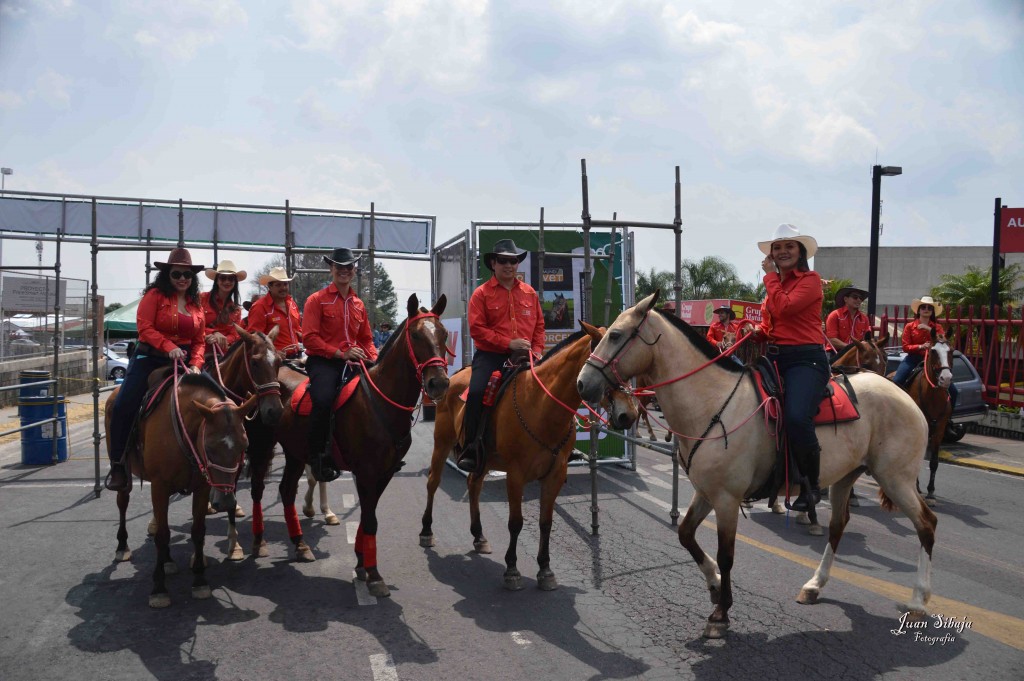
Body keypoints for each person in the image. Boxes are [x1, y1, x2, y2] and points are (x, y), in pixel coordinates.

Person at [105, 248, 206, 491]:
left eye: (187, 274)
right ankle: (118, 465)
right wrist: (168, 346)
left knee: (216, 403)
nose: (182, 278)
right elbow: (145, 329)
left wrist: (196, 364)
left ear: (193, 278)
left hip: (183, 364)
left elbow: (200, 341)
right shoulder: (154, 296)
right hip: (149, 359)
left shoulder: (196, 304)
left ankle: (210, 463)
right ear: (167, 275)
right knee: (123, 405)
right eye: (177, 273)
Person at [751, 224, 829, 512]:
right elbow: (773, 322)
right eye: (778, 247)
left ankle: (812, 485)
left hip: (805, 360)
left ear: (800, 252)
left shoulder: (811, 280)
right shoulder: (776, 285)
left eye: (789, 246)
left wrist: (770, 276)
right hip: (774, 357)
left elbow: (784, 308)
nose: (783, 251)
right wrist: (756, 331)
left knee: (796, 418)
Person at [457, 239, 545, 472]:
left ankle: (560, 445)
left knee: (554, 388)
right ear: (493, 263)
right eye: (504, 261)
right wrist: (509, 343)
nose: (509, 265)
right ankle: (471, 448)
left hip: (528, 357)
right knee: (476, 393)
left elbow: (539, 327)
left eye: (513, 261)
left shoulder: (530, 293)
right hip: (491, 356)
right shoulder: (481, 294)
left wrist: (536, 352)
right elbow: (477, 329)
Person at [302, 247, 377, 482]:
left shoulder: (358, 304)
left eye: (348, 267)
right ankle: (318, 455)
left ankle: (378, 449)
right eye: (339, 267)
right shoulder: (316, 300)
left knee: (376, 395)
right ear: (331, 269)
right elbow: (310, 338)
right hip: (324, 362)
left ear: (354, 271)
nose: (344, 271)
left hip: (354, 360)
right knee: (323, 399)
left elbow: (366, 339)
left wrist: (373, 358)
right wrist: (340, 353)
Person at [247, 267, 303, 358]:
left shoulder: (292, 303)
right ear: (270, 286)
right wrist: (274, 352)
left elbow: (297, 330)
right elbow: (254, 339)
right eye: (278, 285)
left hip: (296, 356)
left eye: (285, 284)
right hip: (272, 362)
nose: (283, 288)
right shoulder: (259, 307)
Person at [201, 260, 245, 352]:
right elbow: (194, 326)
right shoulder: (202, 298)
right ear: (217, 280)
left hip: (224, 354)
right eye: (223, 278)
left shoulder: (236, 310)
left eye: (231, 279)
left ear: (235, 282)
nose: (227, 281)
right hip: (201, 350)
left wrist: (222, 340)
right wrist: (213, 333)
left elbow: (235, 334)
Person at [825, 285, 872, 357]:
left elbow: (867, 340)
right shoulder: (835, 315)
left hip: (855, 354)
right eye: (855, 297)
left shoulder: (864, 318)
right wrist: (851, 347)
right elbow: (832, 340)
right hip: (835, 352)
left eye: (861, 298)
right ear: (846, 299)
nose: (859, 300)